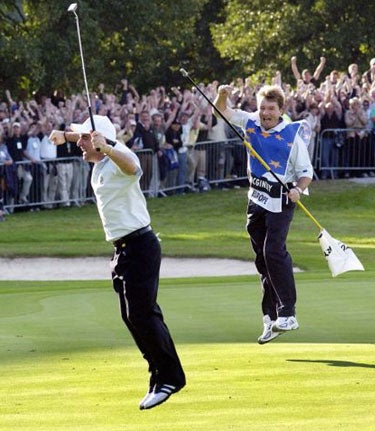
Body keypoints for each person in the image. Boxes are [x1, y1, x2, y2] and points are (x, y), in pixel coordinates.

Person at [49, 115, 185, 410]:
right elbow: (85, 139)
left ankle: (170, 377)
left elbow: (132, 166)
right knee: (131, 316)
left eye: (85, 139)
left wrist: (108, 147)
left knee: (142, 314)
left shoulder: (119, 158)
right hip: (122, 251)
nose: (79, 143)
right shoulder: (97, 159)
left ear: (101, 141)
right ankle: (158, 374)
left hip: (141, 245)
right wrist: (64, 134)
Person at [214, 84, 313, 344]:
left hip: (282, 199)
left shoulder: (292, 136)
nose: (265, 113)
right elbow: (221, 111)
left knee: (273, 251)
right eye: (262, 108)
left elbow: (306, 174)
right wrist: (223, 93)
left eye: (271, 109)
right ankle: (270, 317)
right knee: (262, 260)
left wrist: (298, 191)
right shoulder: (250, 121)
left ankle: (288, 313)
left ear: (281, 110)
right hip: (256, 200)